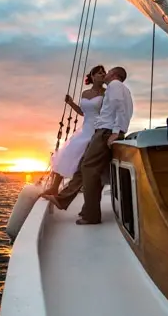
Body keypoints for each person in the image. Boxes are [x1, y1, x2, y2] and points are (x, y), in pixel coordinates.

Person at [43, 66, 133, 224]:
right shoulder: (121, 89)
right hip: (99, 130)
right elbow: (121, 110)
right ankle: (64, 200)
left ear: (113, 74)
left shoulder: (114, 86)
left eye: (107, 72)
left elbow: (121, 109)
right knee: (84, 167)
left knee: (89, 169)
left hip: (104, 132)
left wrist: (116, 132)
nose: (105, 74)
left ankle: (90, 214)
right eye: (99, 73)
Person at [43, 66, 107, 195]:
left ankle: (80, 187)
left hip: (98, 128)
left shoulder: (106, 93)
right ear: (93, 76)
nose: (103, 74)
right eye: (99, 73)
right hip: (85, 128)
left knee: (84, 157)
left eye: (104, 73)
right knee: (66, 152)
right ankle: (54, 188)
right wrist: (71, 103)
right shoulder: (85, 93)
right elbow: (83, 112)